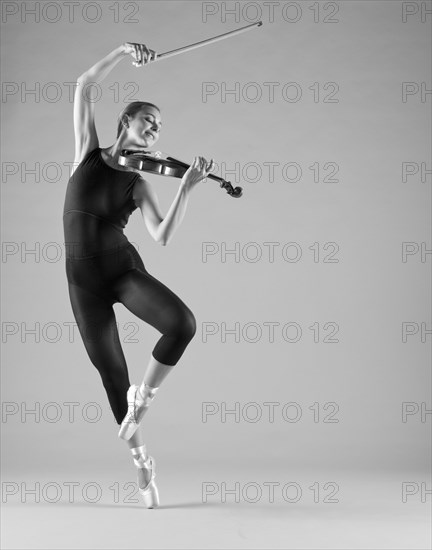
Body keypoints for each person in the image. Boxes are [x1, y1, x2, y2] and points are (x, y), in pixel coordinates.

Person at [63, 42, 214, 508]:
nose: (155, 128)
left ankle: (143, 398)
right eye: (148, 119)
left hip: (123, 270)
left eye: (160, 127)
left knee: (182, 324)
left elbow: (162, 236)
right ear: (126, 121)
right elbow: (84, 85)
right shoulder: (87, 152)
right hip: (83, 283)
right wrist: (122, 51)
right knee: (110, 372)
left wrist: (186, 189)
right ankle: (141, 462)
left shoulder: (141, 181)